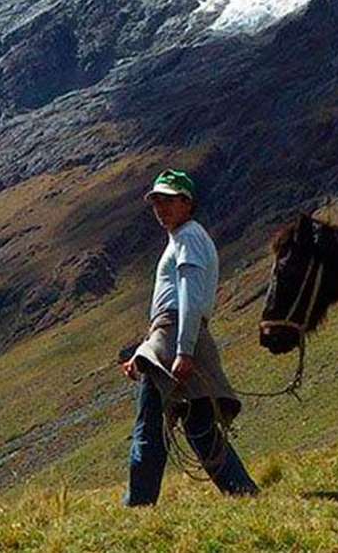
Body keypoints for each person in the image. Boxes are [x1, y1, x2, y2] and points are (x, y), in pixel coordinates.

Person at [120, 169, 259, 506]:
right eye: (156, 202)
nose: (160, 208)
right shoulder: (186, 237)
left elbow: (188, 296)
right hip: (176, 337)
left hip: (176, 338)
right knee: (200, 427)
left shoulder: (188, 238)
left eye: (168, 201)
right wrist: (147, 350)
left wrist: (181, 350)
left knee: (150, 428)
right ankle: (243, 493)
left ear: (187, 202)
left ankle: (138, 505)